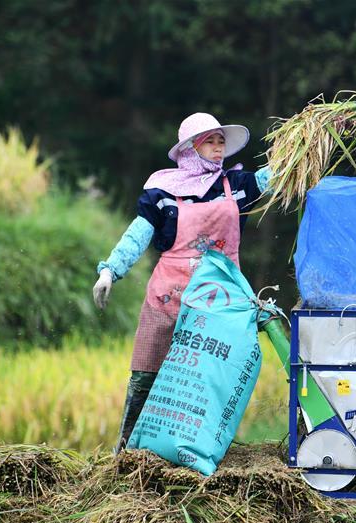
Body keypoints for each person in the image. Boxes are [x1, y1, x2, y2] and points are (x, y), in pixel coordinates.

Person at [92, 112, 273, 453]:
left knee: (210, 376)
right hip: (169, 295)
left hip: (219, 296)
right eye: (211, 142)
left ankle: (199, 449)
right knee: (147, 372)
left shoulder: (237, 185)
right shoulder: (162, 193)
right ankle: (127, 454)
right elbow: (138, 234)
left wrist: (306, 144)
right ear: (191, 148)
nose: (219, 149)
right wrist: (110, 270)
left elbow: (277, 177)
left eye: (222, 142)